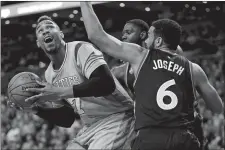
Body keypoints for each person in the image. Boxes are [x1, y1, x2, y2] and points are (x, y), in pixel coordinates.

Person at [80, 2, 223, 150]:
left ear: (158, 41)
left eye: (149, 36)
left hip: (150, 138)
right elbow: (217, 108)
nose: (145, 40)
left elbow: (96, 35)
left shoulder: (141, 56)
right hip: (185, 138)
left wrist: (84, 3)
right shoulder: (194, 68)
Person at [9, 15, 135, 149]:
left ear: (61, 34)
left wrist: (60, 92)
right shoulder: (49, 75)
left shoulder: (80, 49)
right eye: (40, 30)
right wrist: (35, 109)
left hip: (117, 116)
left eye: (50, 27)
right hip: (90, 126)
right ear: (38, 43)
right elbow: (67, 119)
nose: (45, 31)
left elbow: (106, 83)